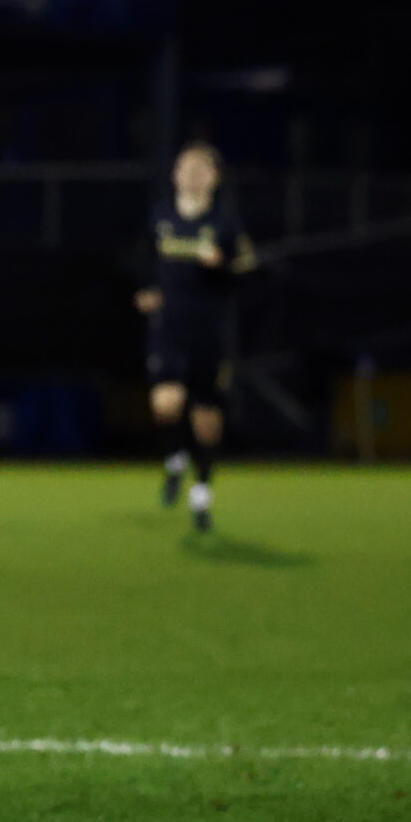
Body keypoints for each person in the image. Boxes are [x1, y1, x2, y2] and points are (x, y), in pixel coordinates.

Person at [133, 142, 254, 533]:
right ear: (174, 174)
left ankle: (201, 491)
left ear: (214, 178)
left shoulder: (225, 224)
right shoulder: (161, 217)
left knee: (205, 421)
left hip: (209, 333)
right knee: (165, 405)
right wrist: (147, 288)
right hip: (169, 329)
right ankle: (174, 458)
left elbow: (247, 273)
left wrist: (221, 266)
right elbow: (143, 260)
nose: (191, 174)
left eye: (201, 169)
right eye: (185, 168)